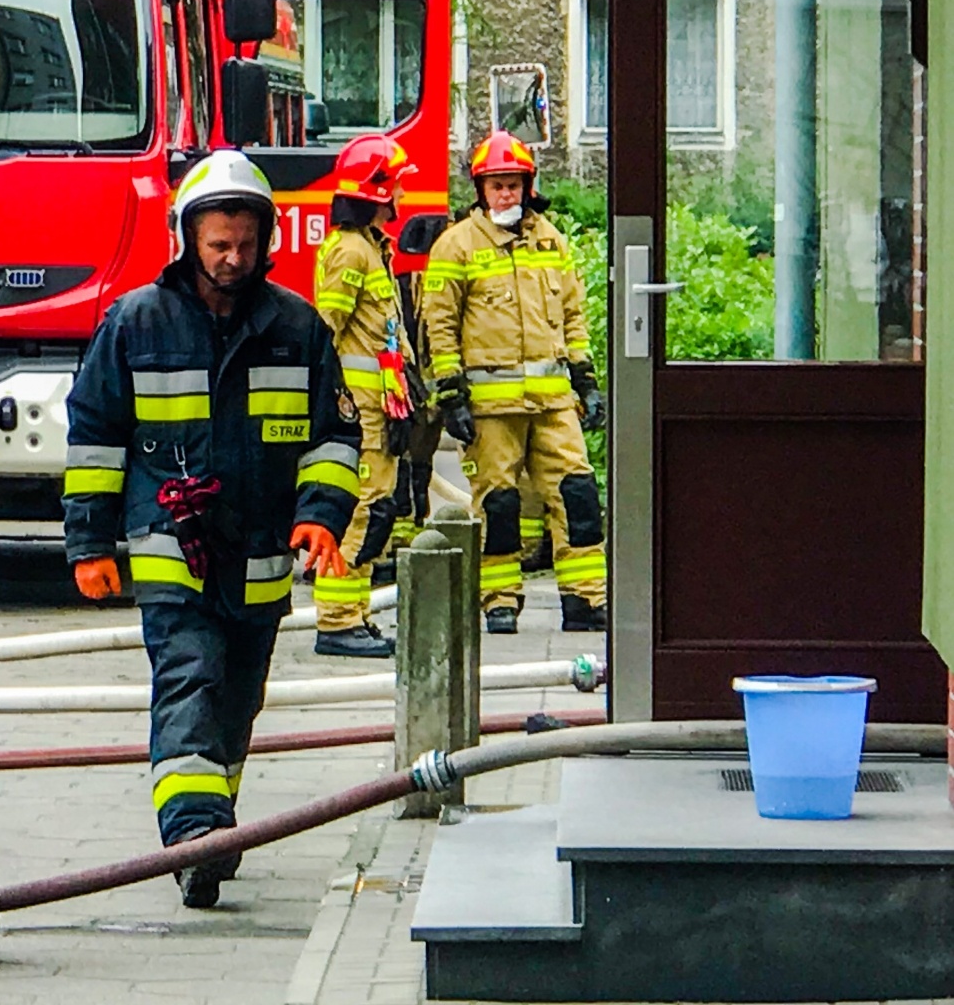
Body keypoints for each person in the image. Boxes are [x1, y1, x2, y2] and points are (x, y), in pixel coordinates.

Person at [62, 149, 361, 908]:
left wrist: (319, 518)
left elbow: (332, 437)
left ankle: (212, 817)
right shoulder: (136, 323)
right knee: (189, 678)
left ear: (264, 241)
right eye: (217, 244)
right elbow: (95, 438)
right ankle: (195, 837)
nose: (231, 259)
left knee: (236, 702)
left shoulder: (297, 330)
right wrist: (91, 545)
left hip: (259, 558)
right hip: (171, 547)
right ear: (187, 237)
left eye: (245, 244)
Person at [422, 131, 607, 634]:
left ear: (529, 185)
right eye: (497, 185)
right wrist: (451, 392)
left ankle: (585, 600)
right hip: (491, 410)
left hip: (552, 404)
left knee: (577, 495)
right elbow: (439, 325)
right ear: (480, 190)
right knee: (498, 506)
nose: (506, 195)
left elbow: (573, 315)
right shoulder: (455, 247)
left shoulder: (550, 239)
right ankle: (499, 600)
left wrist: (585, 379)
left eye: (514, 184)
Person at [308, 134, 417, 657]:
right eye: (395, 185)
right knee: (361, 513)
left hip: (381, 403)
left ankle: (355, 615)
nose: (401, 195)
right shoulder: (352, 251)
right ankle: (336, 622)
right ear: (376, 190)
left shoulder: (372, 247)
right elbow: (328, 330)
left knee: (377, 511)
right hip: (361, 408)